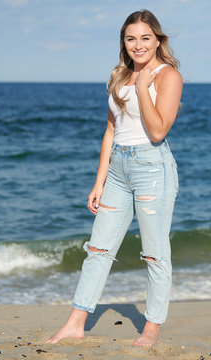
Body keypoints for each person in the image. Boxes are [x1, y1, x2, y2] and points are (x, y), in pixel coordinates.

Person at [47, 9, 182, 347]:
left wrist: (141, 86)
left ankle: (151, 328)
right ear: (124, 41)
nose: (138, 45)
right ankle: (76, 323)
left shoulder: (168, 76)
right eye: (131, 38)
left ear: (157, 40)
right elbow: (111, 131)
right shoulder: (119, 75)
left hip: (152, 168)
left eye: (145, 38)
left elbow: (158, 129)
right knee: (98, 249)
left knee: (154, 253)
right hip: (118, 169)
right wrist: (99, 181)